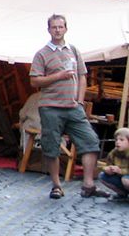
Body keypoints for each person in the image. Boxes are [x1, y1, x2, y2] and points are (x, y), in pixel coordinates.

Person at [30, 13, 107, 199]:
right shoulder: (42, 54)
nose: (57, 30)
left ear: (66, 28)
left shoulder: (73, 50)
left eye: (60, 27)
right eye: (54, 27)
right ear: (48, 30)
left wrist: (80, 101)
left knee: (90, 142)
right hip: (51, 107)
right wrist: (58, 76)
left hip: (73, 107)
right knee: (51, 147)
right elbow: (34, 81)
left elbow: (82, 76)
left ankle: (88, 185)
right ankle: (56, 186)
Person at [97, 127, 129, 199]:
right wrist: (107, 169)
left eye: (121, 140)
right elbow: (106, 164)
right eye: (116, 140)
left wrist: (121, 171)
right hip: (120, 177)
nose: (118, 142)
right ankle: (122, 193)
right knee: (102, 176)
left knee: (126, 180)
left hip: (126, 177)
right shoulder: (114, 152)